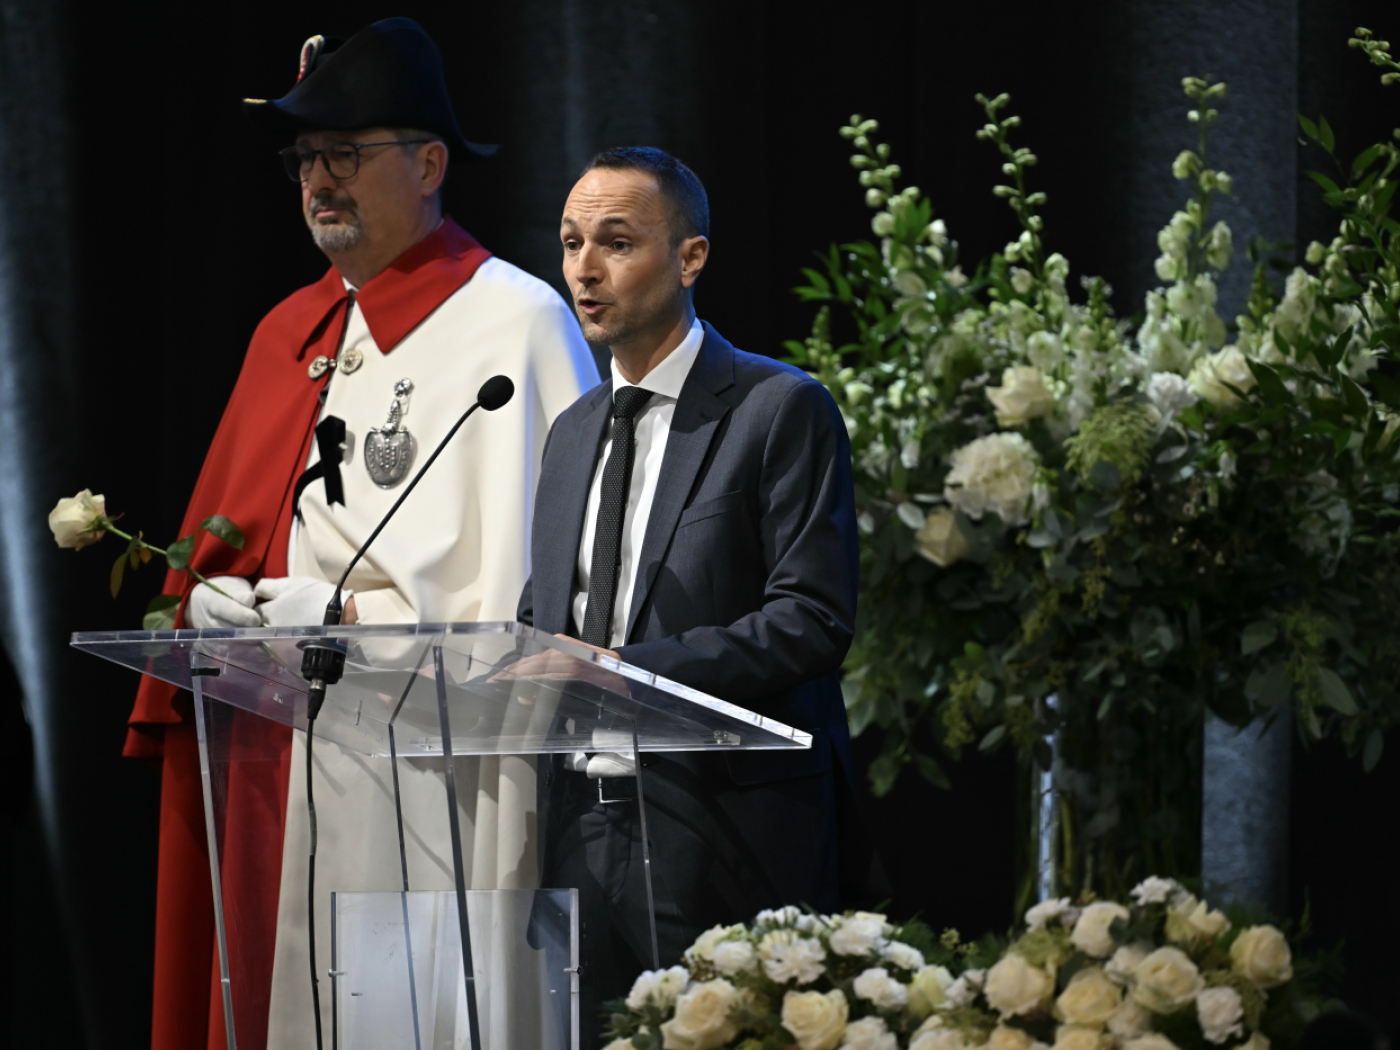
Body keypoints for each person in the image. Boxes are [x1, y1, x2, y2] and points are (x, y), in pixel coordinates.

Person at [121, 19, 597, 1049]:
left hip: (436, 771)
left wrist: (334, 618)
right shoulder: (288, 330)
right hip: (285, 756)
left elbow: (545, 598)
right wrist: (225, 605)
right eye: (305, 159)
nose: (317, 181)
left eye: (344, 153)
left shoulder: (515, 322)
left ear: (429, 165)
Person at [515, 147, 875, 1045]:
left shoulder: (778, 408)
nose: (584, 270)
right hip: (579, 834)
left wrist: (623, 673)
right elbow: (548, 614)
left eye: (616, 243)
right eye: (571, 243)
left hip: (721, 832)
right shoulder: (571, 433)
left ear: (690, 257)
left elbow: (812, 619)